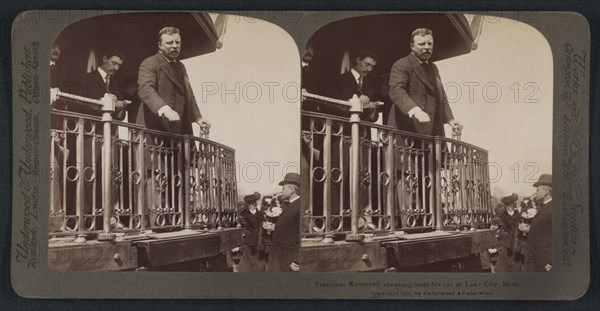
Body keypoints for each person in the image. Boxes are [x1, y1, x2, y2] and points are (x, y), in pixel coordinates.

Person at [136, 26, 210, 135]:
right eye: (169, 43)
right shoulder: (150, 63)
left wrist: (198, 118)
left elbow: (188, 94)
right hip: (155, 128)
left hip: (179, 129)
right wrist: (165, 109)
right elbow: (145, 89)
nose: (175, 46)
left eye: (178, 42)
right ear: (159, 45)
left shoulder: (181, 66)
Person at [388, 28, 462, 136]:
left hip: (433, 130)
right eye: (422, 44)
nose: (427, 47)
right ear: (412, 46)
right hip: (408, 131)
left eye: (430, 44)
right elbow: (397, 90)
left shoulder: (433, 67)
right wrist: (415, 111)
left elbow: (441, 95)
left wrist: (450, 119)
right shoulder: (402, 64)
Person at [268, 173, 301, 272]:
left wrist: (298, 260)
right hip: (280, 258)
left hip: (289, 260)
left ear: (291, 190)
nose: (281, 191)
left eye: (283, 188)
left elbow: (301, 235)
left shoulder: (298, 206)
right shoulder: (290, 205)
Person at [524, 174, 552, 272]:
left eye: (538, 189)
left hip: (544, 261)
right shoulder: (542, 207)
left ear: (546, 192)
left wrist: (551, 261)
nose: (536, 192)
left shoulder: (553, 208)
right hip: (534, 257)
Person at [236, 192, 267, 272]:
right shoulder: (243, 214)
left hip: (259, 240)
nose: (251, 205)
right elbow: (244, 226)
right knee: (247, 266)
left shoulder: (261, 214)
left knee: (259, 265)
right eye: (249, 204)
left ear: (255, 203)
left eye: (253, 203)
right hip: (250, 241)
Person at [495, 193, 522, 272]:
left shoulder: (518, 214)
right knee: (506, 257)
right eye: (507, 206)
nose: (509, 208)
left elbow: (521, 224)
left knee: (517, 257)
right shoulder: (503, 216)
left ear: (513, 205)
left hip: (518, 237)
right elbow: (502, 227)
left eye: (510, 205)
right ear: (505, 206)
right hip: (508, 239)